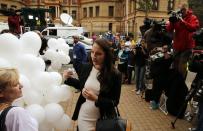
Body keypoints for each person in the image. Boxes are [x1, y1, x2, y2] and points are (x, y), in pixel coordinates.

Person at [63, 39, 122, 131]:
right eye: (92, 52)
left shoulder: (115, 75)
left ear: (106, 55)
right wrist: (68, 79)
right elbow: (82, 84)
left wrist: (96, 98)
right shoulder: (86, 67)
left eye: (98, 54)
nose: (94, 56)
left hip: (102, 120)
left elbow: (114, 102)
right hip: (83, 116)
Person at [166, 3, 199, 79]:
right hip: (177, 47)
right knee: (175, 67)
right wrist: (172, 22)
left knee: (181, 68)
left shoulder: (192, 17)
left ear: (187, 9)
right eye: (181, 10)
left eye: (183, 9)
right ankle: (174, 85)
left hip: (187, 47)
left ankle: (180, 85)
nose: (182, 11)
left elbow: (194, 28)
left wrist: (182, 21)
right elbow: (168, 29)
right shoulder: (176, 18)